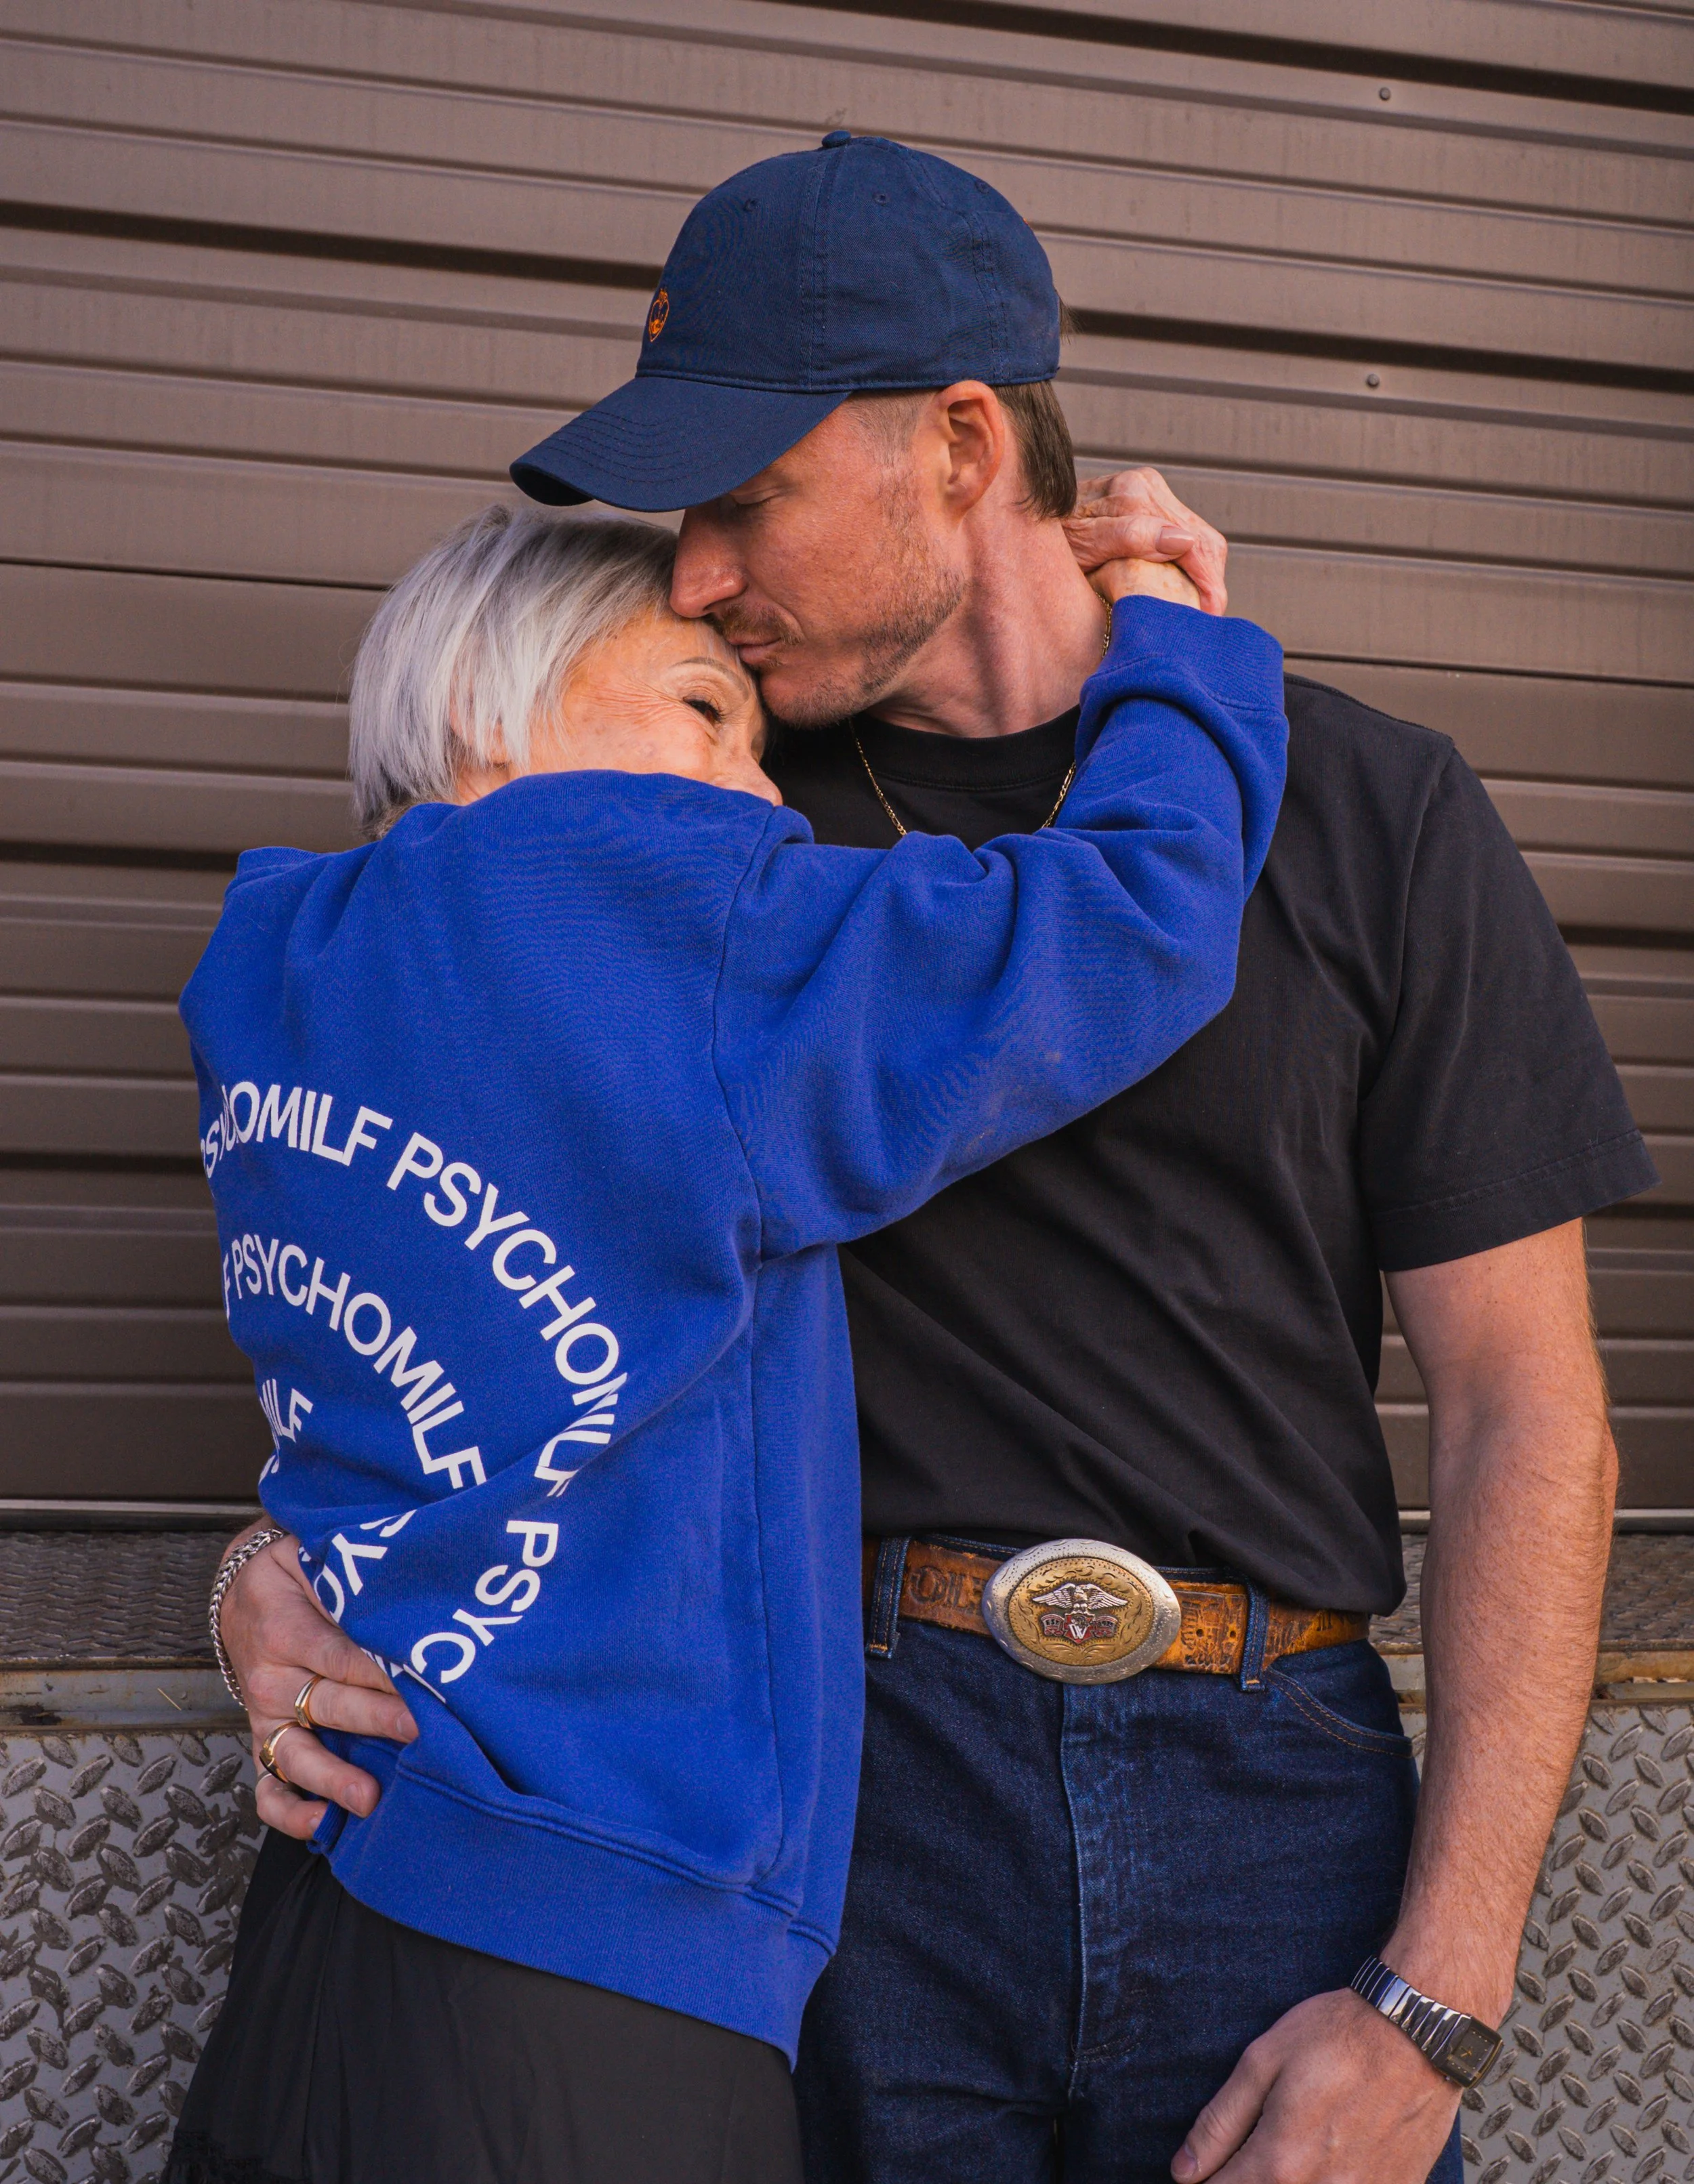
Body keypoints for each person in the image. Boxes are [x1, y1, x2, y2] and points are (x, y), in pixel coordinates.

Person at [217, 136, 1653, 2183]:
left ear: (960, 444)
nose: (693, 573)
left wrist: (1441, 1992)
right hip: (847, 1801)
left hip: (1279, 1787)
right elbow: (429, 1217)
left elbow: (1529, 1417)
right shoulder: (686, 799)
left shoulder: (1366, 808)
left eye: (746, 497)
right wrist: (274, 1572)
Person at [171, 500, 1286, 2184]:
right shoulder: (649, 914)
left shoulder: (277, 961)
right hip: (592, 1950)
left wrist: (252, 1552)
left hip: (340, 1880)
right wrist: (1172, 635)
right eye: (705, 707)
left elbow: (407, 1387)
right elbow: (1129, 918)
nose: (766, 800)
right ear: (489, 697)